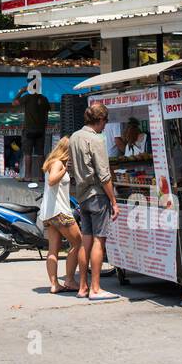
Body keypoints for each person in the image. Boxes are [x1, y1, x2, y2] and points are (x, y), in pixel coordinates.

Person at [69, 102, 121, 302]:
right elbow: (104, 174)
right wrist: (113, 200)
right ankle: (96, 288)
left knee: (86, 241)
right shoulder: (97, 139)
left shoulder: (74, 137)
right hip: (97, 195)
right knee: (99, 240)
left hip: (82, 194)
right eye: (105, 121)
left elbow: (70, 165)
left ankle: (82, 287)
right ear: (99, 120)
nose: (105, 126)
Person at [38, 137, 81, 294]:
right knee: (79, 243)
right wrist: (65, 169)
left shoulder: (52, 162)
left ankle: (55, 284)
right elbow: (51, 181)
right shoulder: (58, 163)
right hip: (60, 212)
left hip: (49, 213)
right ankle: (69, 280)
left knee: (53, 249)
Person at [13, 83, 51, 166]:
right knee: (41, 154)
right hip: (41, 130)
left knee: (28, 154)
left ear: (30, 89)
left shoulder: (27, 97)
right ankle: (41, 177)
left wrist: (21, 91)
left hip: (29, 129)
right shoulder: (44, 99)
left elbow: (14, 103)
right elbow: (47, 114)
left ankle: (28, 177)